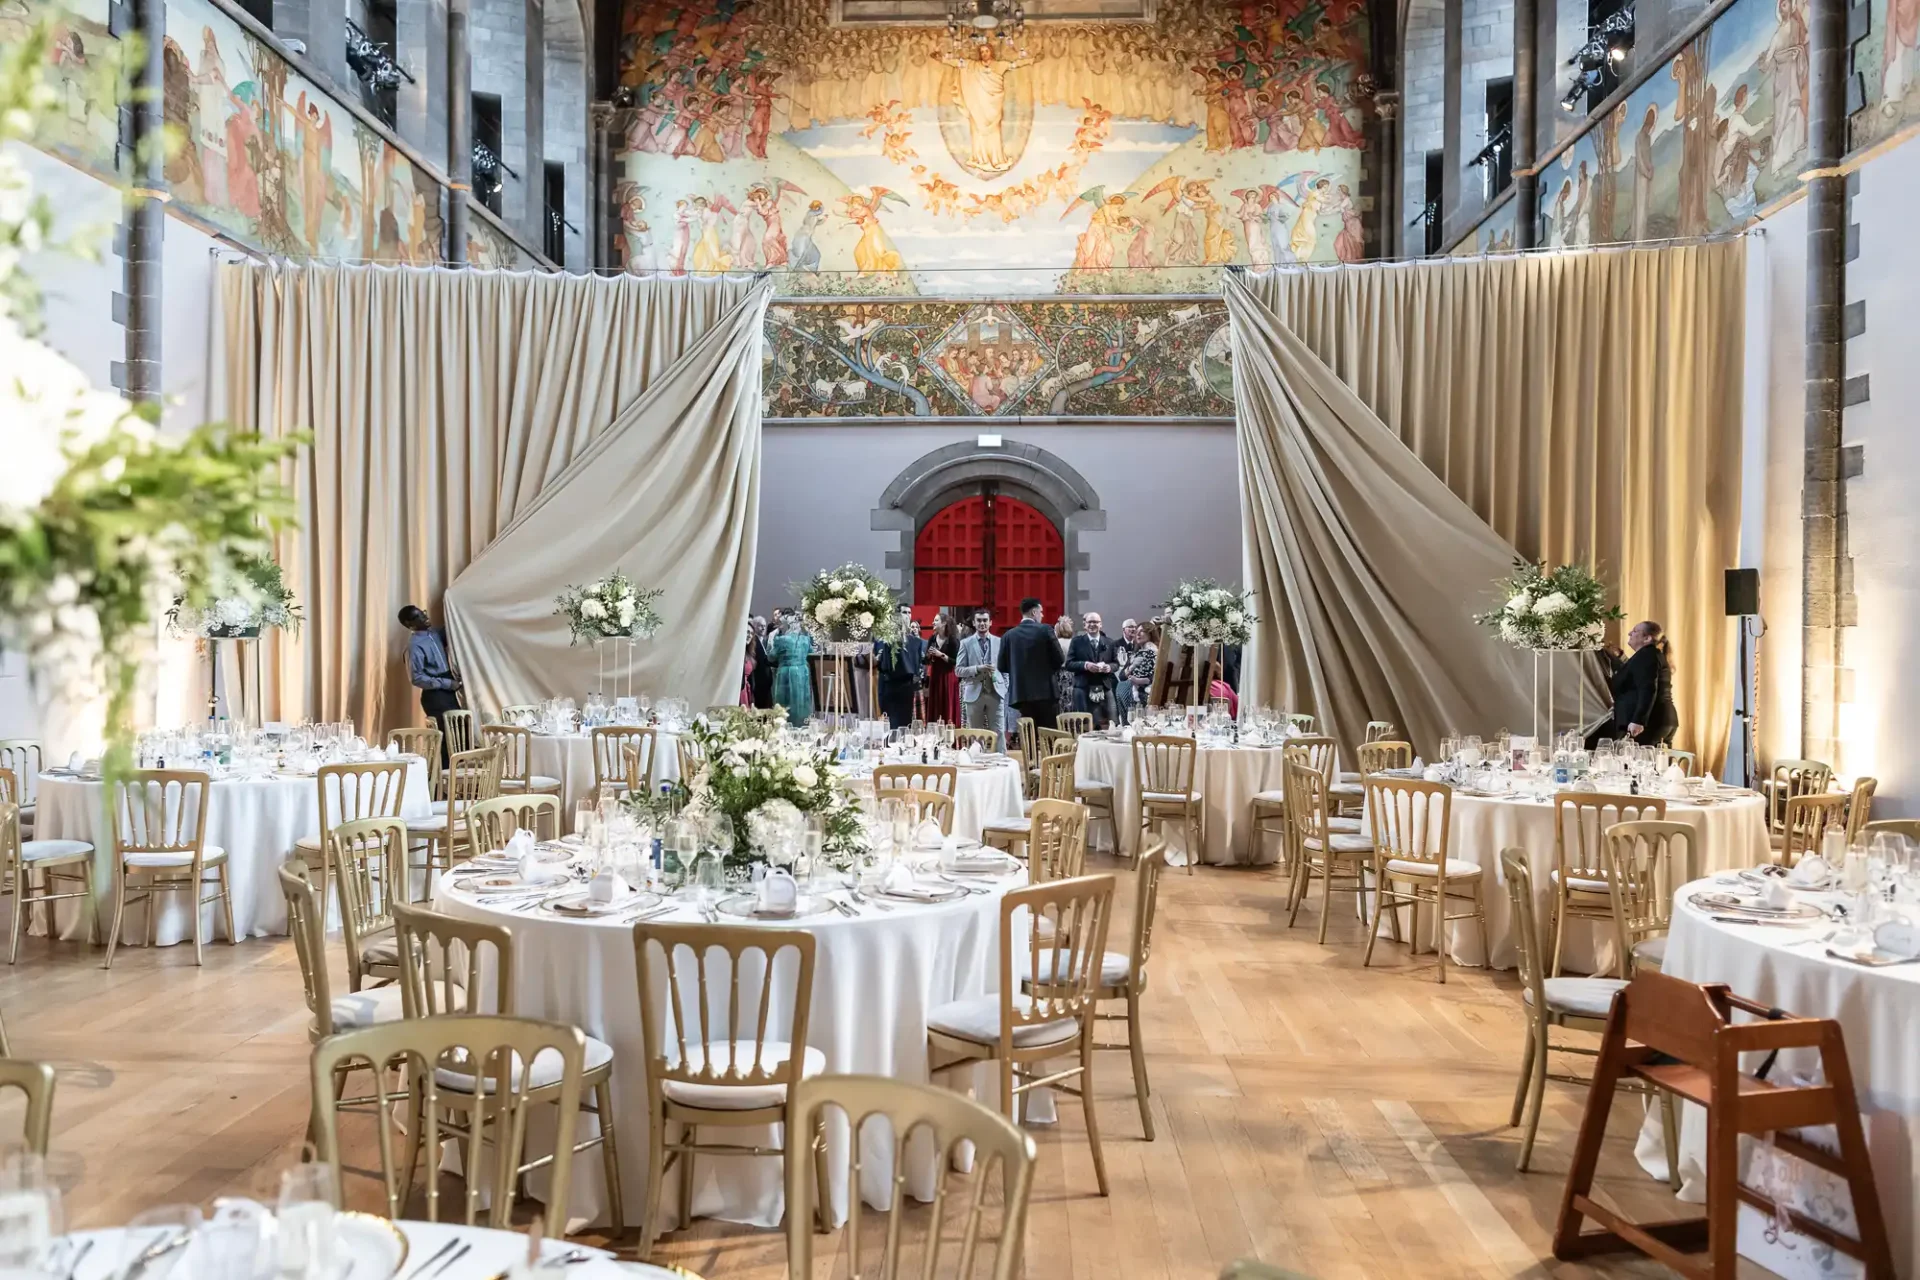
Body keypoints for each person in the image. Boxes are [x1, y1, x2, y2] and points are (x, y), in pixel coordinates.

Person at [1591, 620, 1679, 748]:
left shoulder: (1646, 655)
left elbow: (1647, 689)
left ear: (1647, 638)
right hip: (1664, 719)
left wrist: (1638, 721)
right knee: (1658, 765)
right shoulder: (1651, 655)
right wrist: (1620, 657)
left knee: (1638, 764)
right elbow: (1636, 677)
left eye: (1635, 631)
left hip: (1649, 722)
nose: (1629, 633)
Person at [399, 604, 461, 761]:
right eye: (418, 616)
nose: (425, 617)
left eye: (423, 613)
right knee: (448, 738)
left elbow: (454, 627)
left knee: (460, 734)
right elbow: (416, 677)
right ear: (409, 624)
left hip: (449, 691)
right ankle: (446, 780)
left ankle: (462, 777)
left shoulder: (434, 634)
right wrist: (446, 683)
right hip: (436, 695)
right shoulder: (414, 647)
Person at [998, 597, 1064, 730]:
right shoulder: (1045, 630)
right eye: (1041, 611)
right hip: (1046, 692)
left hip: (1021, 694)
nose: (1042, 615)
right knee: (1049, 734)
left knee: (1029, 736)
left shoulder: (1008, 635)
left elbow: (1001, 666)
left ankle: (1029, 752)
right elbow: (1060, 658)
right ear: (1034, 612)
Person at [956, 608, 1007, 749]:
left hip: (995, 692)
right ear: (974, 622)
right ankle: (976, 765)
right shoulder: (966, 643)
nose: (982, 623)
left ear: (990, 622)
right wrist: (978, 668)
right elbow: (958, 671)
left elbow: (1006, 668)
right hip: (974, 693)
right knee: (975, 735)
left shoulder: (999, 642)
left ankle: (1001, 765)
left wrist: (1005, 686)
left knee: (999, 733)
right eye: (979, 620)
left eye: (985, 620)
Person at [1066, 611, 1122, 730]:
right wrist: (1085, 665)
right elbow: (1069, 664)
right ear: (1085, 625)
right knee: (1085, 725)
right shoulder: (1077, 641)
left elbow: (1116, 663)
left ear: (1101, 624)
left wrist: (1109, 667)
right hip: (1083, 687)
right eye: (1089, 622)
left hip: (1104, 685)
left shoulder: (1109, 642)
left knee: (1112, 721)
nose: (1092, 624)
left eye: (1095, 622)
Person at [873, 603, 925, 730]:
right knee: (889, 723)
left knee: (904, 724)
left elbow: (919, 666)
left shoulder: (916, 642)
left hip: (906, 689)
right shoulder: (883, 641)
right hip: (888, 687)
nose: (906, 617)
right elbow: (879, 663)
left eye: (909, 613)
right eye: (903, 613)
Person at [769, 614, 814, 727]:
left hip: (785, 672)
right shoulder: (805, 639)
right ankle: (802, 726)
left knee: (785, 703)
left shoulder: (781, 640)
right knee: (801, 701)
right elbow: (811, 653)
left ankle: (785, 727)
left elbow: (771, 656)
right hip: (802, 672)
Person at [925, 611, 962, 725]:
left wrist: (940, 655)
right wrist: (929, 655)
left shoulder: (952, 640)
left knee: (948, 704)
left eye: (936, 620)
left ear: (944, 623)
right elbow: (926, 660)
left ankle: (950, 734)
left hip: (948, 676)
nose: (933, 622)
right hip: (935, 675)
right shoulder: (932, 638)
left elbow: (956, 661)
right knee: (935, 704)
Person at [1052, 615, 1078, 714]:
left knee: (1061, 701)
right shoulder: (1075, 642)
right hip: (1073, 675)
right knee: (1072, 700)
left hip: (1059, 675)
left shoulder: (1056, 643)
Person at [748, 614, 775, 710]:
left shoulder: (763, 641)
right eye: (760, 625)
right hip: (759, 684)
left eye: (764, 625)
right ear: (754, 626)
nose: (763, 628)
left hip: (765, 684)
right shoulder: (754, 641)